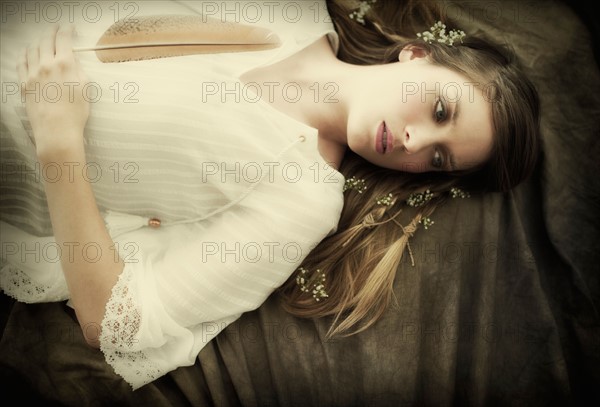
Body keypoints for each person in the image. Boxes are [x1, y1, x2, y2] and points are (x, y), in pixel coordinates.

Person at [0, 0, 540, 390]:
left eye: (437, 158)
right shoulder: (290, 13)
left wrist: (59, 143)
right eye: (440, 110)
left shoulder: (301, 202)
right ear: (417, 55)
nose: (414, 141)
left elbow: (119, 320)